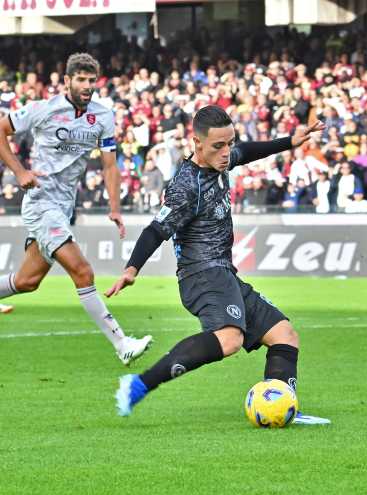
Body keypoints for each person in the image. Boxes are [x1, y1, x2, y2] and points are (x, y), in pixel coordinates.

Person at [107, 105, 332, 422]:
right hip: (200, 275)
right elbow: (156, 228)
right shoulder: (186, 186)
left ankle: (280, 405)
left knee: (284, 335)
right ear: (197, 143)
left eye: (230, 143)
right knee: (229, 340)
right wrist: (132, 269)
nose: (227, 152)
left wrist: (289, 142)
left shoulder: (221, 161)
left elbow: (248, 151)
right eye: (218, 146)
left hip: (223, 272)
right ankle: (139, 385)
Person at [0, 53, 152, 364]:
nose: (86, 85)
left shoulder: (103, 116)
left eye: (91, 80)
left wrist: (115, 208)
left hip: (65, 208)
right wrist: (19, 171)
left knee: (27, 281)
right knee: (83, 271)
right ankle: (122, 343)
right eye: (80, 79)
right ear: (67, 80)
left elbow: (110, 165)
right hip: (41, 203)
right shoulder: (44, 109)